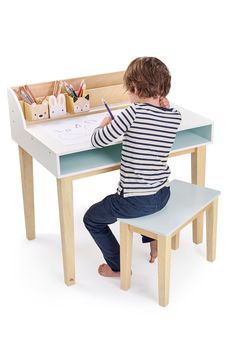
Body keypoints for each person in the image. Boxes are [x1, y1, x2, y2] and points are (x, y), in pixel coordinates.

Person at [83, 57, 182, 277]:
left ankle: (119, 268)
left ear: (135, 89)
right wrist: (164, 105)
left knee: (91, 219)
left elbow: (98, 140)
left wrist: (103, 125)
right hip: (162, 194)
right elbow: (159, 118)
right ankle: (153, 242)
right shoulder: (174, 115)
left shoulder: (132, 113)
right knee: (147, 196)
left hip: (135, 201)